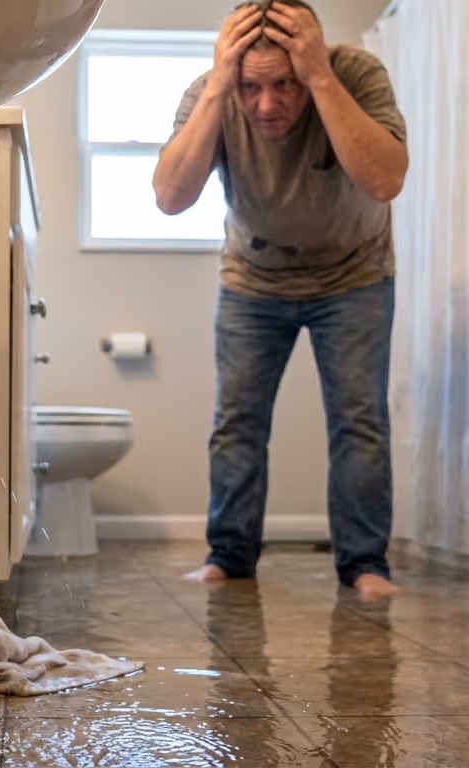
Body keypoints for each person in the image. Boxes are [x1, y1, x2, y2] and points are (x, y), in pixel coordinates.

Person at [154, 0, 408, 600]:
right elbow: (169, 196)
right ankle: (230, 557)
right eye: (251, 86)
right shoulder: (212, 91)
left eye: (285, 85)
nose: (267, 105)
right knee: (236, 425)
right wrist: (220, 85)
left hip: (354, 274)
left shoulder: (355, 74)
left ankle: (366, 565)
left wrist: (320, 76)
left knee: (359, 423)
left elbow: (387, 179)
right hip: (253, 278)